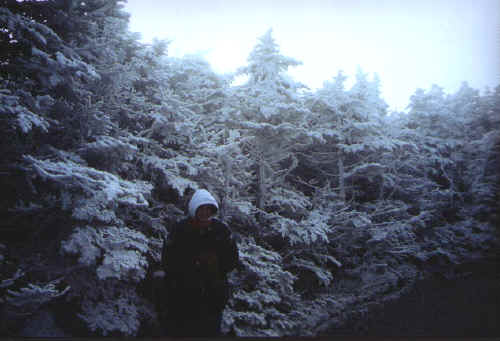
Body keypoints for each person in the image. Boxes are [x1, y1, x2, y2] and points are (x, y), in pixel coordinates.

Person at [161, 189, 239, 337]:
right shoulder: (180, 230)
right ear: (193, 209)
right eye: (201, 209)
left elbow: (232, 259)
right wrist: (192, 263)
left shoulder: (221, 230)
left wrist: (215, 265)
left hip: (213, 296)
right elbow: (167, 260)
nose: (205, 213)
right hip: (183, 297)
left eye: (208, 209)